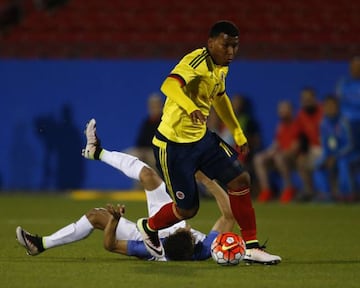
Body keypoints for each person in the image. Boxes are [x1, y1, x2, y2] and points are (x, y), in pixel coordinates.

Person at [112, 20, 281, 264]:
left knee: (240, 179)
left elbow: (220, 98)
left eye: (235, 46)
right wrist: (190, 107)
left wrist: (237, 131)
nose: (231, 52)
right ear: (211, 42)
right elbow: (168, 84)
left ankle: (252, 246)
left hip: (201, 139)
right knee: (187, 210)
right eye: (226, 46)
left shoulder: (221, 67)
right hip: (173, 146)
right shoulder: (196, 62)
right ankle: (149, 227)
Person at [16, 119, 235, 261]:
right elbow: (228, 215)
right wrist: (207, 180)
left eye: (185, 230)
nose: (188, 230)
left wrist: (113, 220)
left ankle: (41, 244)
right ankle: (97, 152)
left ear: (179, 235)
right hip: (167, 220)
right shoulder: (203, 249)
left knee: (94, 217)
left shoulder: (147, 249)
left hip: (147, 235)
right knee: (148, 176)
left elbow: (110, 245)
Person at [313, 95, 360, 202]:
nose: (330, 108)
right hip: (333, 155)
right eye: (327, 106)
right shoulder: (323, 124)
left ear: (338, 107)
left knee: (342, 163)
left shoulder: (344, 122)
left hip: (352, 154)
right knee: (318, 164)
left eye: (332, 106)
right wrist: (326, 158)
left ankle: (348, 194)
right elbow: (325, 145)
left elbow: (350, 145)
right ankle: (326, 194)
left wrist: (335, 156)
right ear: (323, 108)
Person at [254, 100, 299, 203]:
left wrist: (279, 153)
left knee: (279, 157)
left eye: (284, 109)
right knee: (259, 158)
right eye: (280, 109)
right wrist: (268, 153)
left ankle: (288, 189)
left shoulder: (297, 125)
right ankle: (266, 190)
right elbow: (277, 143)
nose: (281, 112)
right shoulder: (281, 126)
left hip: (294, 157)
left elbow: (295, 147)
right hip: (280, 156)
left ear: (291, 111)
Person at [295, 87, 323, 201]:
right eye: (304, 99)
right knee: (301, 161)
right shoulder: (301, 114)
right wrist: (303, 152)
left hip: (325, 148)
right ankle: (310, 192)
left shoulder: (323, 110)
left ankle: (324, 193)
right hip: (313, 148)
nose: (306, 101)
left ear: (314, 98)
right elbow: (302, 136)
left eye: (309, 98)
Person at [126, 93, 163, 171]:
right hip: (145, 151)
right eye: (152, 106)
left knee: (151, 158)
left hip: (159, 152)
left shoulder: (165, 122)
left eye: (156, 105)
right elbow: (140, 142)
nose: (154, 108)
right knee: (129, 155)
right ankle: (140, 179)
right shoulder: (147, 123)